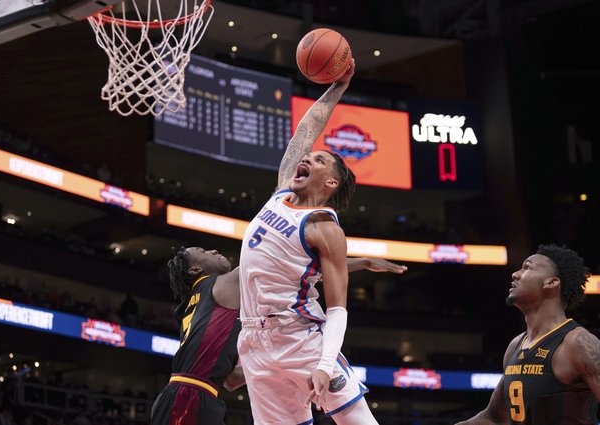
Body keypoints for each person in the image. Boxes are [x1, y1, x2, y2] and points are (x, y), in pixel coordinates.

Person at [237, 59, 381, 424]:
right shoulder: (282, 191)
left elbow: (337, 308)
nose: (306, 158)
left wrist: (324, 363)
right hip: (253, 339)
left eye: (317, 161)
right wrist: (337, 88)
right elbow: (306, 130)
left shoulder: (323, 227)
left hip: (301, 338)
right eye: (308, 157)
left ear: (330, 184)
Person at [151, 245, 406, 424]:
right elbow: (297, 267)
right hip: (189, 397)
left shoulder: (198, 303)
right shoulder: (220, 284)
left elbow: (230, 380)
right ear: (195, 271)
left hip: (195, 394)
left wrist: (277, 367)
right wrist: (361, 262)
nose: (214, 251)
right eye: (204, 252)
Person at [456, 244, 600, 425]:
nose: (515, 274)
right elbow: (494, 417)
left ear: (551, 283)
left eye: (527, 267)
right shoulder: (515, 345)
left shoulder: (577, 343)